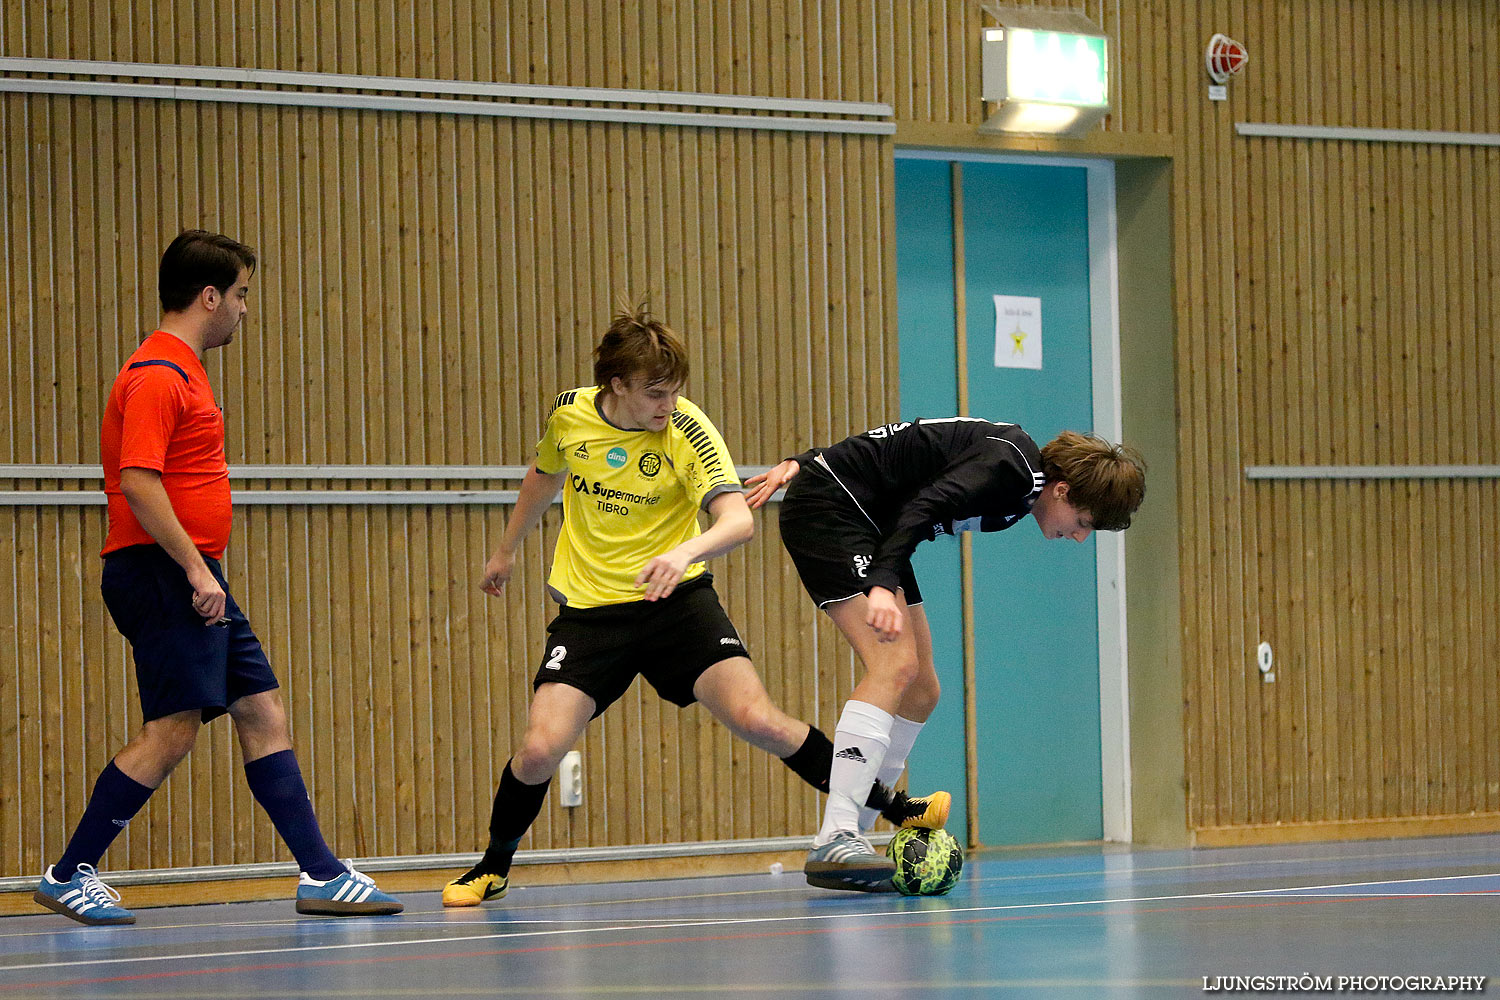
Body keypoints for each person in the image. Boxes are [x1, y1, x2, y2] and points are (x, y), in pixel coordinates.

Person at [442, 305, 947, 906]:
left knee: (760, 720)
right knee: (539, 749)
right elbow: (544, 474)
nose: (668, 404)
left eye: (675, 390)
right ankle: (493, 866)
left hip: (678, 604)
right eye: (655, 392)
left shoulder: (687, 429)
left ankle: (894, 808)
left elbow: (738, 521)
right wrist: (505, 551)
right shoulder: (570, 415)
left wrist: (685, 553)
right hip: (592, 612)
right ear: (617, 385)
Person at [33, 231, 402, 925]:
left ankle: (321, 874)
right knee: (173, 729)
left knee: (262, 710)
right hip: (166, 574)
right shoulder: (156, 376)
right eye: (240, 295)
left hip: (195, 575)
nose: (243, 309)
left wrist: (205, 573)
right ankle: (67, 872)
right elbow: (139, 483)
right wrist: (197, 570)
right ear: (209, 296)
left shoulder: (186, 371)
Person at [746, 418, 1146, 891]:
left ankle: (861, 830)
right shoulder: (1010, 471)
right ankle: (837, 832)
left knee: (922, 690)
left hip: (873, 521)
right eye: (1083, 524)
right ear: (1061, 490)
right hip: (834, 511)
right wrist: (880, 582)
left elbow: (906, 441)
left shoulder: (1017, 471)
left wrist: (810, 457)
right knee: (894, 666)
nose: (1080, 538)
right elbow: (925, 502)